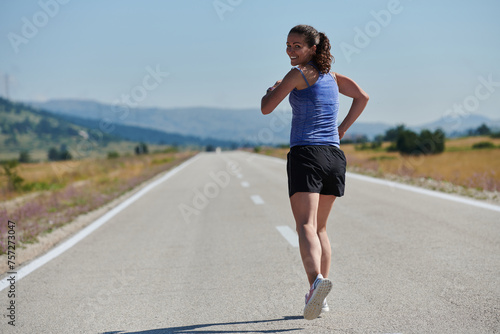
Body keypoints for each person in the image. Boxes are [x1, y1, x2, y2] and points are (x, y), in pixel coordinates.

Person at [261, 24, 369, 320]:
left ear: (312, 48)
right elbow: (362, 97)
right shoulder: (334, 78)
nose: (290, 51)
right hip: (334, 156)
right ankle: (318, 298)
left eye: (297, 46)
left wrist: (270, 90)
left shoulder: (298, 74)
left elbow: (267, 108)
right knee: (320, 228)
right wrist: (342, 130)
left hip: (306, 154)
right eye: (288, 45)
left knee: (305, 226)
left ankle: (316, 284)